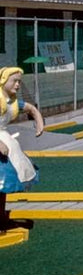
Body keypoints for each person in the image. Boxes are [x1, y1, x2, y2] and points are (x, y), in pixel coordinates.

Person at [0, 67, 44, 227]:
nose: (17, 84)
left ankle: (1, 216)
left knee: (4, 182)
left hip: (5, 140)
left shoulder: (10, 101)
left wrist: (38, 119)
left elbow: (30, 108)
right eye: (14, 81)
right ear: (4, 80)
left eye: (19, 81)